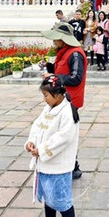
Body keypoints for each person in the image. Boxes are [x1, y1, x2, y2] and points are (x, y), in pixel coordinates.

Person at [25, 76, 79, 217]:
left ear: (58, 95)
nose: (44, 99)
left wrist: (41, 150)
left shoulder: (67, 112)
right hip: (44, 165)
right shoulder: (48, 107)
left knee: (63, 203)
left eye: (46, 95)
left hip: (58, 167)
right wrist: (31, 141)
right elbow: (37, 125)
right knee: (48, 198)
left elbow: (63, 138)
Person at [40, 22, 87, 179]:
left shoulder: (75, 54)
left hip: (70, 100)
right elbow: (63, 71)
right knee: (61, 132)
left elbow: (75, 78)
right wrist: (49, 68)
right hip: (62, 99)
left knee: (67, 134)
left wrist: (54, 77)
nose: (54, 42)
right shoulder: (66, 52)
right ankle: (71, 165)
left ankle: (73, 166)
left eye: (56, 38)